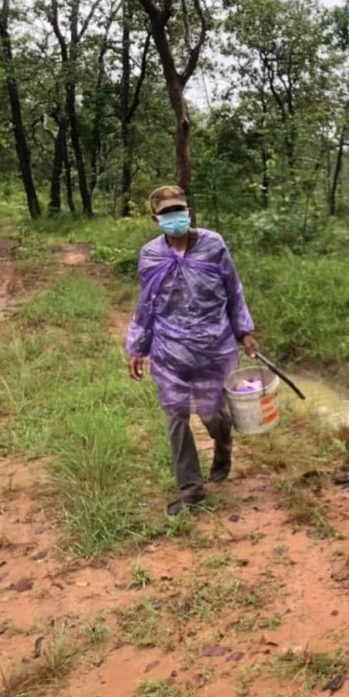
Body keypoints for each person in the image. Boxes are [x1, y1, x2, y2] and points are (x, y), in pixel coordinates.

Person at [125, 185, 260, 516]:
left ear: (188, 211)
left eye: (180, 210)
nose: (176, 217)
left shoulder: (213, 245)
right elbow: (147, 303)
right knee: (176, 415)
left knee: (211, 413)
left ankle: (222, 440)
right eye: (168, 213)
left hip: (214, 347)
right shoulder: (151, 255)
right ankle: (191, 488)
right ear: (156, 219)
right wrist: (137, 346)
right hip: (169, 350)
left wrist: (244, 331)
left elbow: (233, 288)